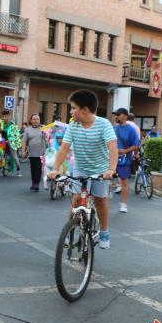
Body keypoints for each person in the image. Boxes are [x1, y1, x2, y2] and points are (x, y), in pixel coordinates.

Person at [48, 89, 118, 249]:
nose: (71, 111)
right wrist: (56, 168)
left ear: (84, 110)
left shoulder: (103, 124)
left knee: (100, 200)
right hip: (80, 168)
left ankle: (104, 231)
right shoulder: (73, 125)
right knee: (76, 200)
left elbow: (112, 147)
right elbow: (64, 149)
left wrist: (111, 169)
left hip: (101, 170)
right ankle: (70, 231)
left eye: (73, 108)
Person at [112, 108, 140, 213]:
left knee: (123, 182)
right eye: (116, 115)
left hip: (124, 160)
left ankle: (123, 204)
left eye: (118, 115)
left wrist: (125, 151)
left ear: (124, 116)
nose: (116, 117)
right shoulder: (113, 128)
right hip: (112, 158)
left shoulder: (131, 130)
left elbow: (136, 145)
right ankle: (102, 201)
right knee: (104, 179)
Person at [21, 114, 46, 192]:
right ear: (31, 121)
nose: (36, 121)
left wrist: (46, 133)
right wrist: (23, 151)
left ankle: (36, 184)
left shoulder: (44, 128)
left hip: (41, 152)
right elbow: (24, 141)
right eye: (34, 119)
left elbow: (49, 137)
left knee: (38, 168)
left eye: (37, 119)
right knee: (33, 168)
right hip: (32, 152)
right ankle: (33, 183)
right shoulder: (27, 130)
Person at [0, 110, 22, 176]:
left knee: (14, 157)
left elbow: (16, 135)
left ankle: (19, 169)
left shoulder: (13, 125)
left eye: (6, 116)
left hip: (11, 142)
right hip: (2, 142)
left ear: (9, 117)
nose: (4, 118)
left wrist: (10, 140)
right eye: (3, 116)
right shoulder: (0, 124)